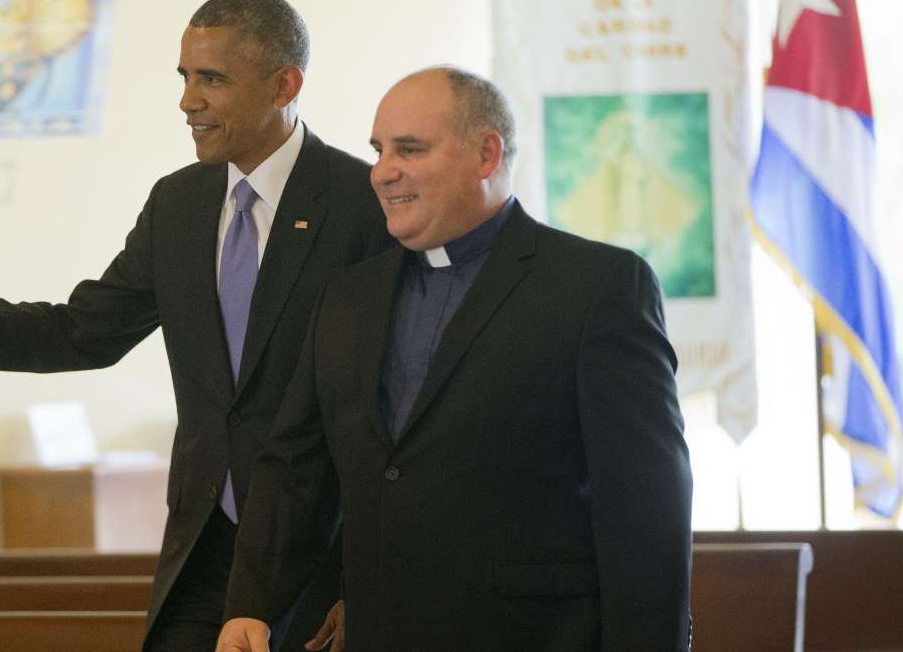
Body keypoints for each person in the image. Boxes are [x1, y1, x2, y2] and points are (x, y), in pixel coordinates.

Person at [0, 0, 390, 652]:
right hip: (205, 551)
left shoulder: (362, 206)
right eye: (184, 77)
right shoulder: (178, 205)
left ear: (284, 83)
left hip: (320, 559)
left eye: (212, 79)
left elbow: (391, 411)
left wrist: (366, 582)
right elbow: (80, 331)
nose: (187, 101)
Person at [216, 67, 693, 652]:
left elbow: (646, 507)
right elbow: (295, 467)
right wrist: (251, 605)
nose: (382, 171)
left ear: (486, 154)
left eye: (409, 149)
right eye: (379, 150)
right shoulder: (347, 297)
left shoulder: (596, 288)